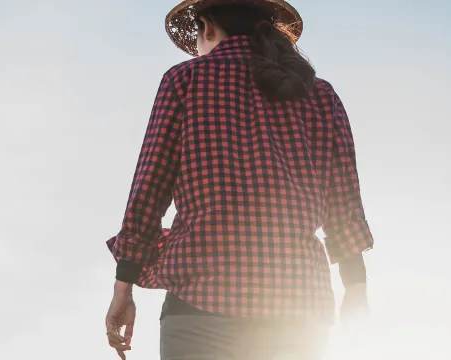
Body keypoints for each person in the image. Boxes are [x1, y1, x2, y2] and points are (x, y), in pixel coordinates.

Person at [101, 1, 375, 359]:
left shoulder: (184, 80)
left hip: (198, 299)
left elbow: (149, 190)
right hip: (298, 304)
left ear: (208, 27)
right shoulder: (319, 94)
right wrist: (355, 291)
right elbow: (344, 203)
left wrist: (124, 289)